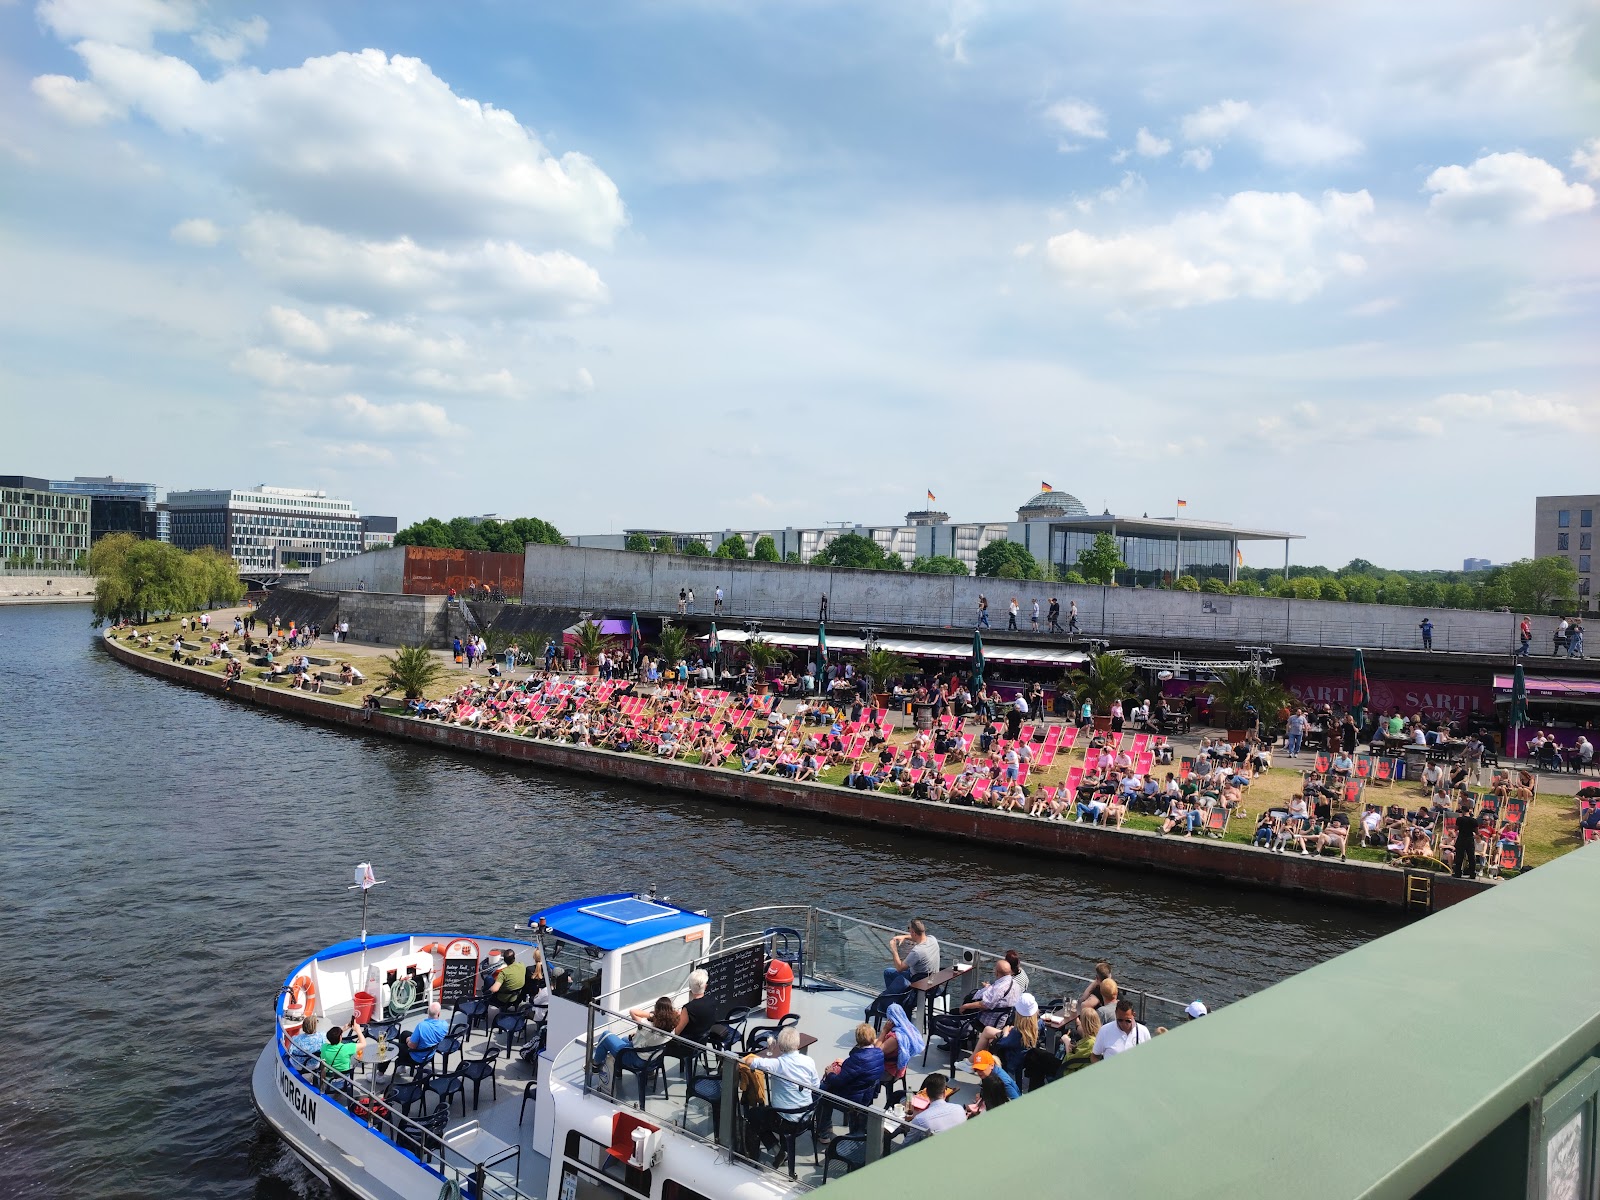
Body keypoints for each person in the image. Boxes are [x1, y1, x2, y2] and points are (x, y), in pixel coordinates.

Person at [745, 1027, 822, 1167]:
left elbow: (750, 1061)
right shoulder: (809, 1061)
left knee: (753, 1116)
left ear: (779, 1045)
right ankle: (781, 1150)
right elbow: (816, 1086)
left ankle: (769, 1154)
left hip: (786, 1120)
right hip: (806, 1116)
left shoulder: (777, 1064)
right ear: (797, 1045)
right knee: (768, 1112)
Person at [817, 1023, 886, 1131]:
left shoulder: (857, 1059)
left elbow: (838, 1081)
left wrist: (829, 1073)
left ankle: (823, 1131)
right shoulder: (879, 1053)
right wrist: (846, 1064)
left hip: (852, 1099)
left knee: (823, 1091)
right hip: (867, 1095)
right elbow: (863, 1069)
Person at [592, 996, 680, 1078]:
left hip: (638, 1061)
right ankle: (622, 1071)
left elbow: (632, 1012)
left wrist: (651, 1015)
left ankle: (595, 1066)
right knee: (624, 1039)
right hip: (653, 1061)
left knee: (606, 1035)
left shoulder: (648, 1026)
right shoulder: (671, 1029)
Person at [902, 1072, 966, 1143]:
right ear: (945, 1093)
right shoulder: (960, 1109)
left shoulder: (920, 1120)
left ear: (927, 1093)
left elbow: (906, 1144)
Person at [882, 918, 939, 993]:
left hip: (917, 980)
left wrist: (894, 949)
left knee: (888, 972)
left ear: (914, 932)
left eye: (909, 930)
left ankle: (892, 997)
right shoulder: (933, 940)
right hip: (932, 980)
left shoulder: (917, 951)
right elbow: (919, 937)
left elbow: (900, 968)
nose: (909, 932)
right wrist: (904, 937)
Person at [400, 1001, 451, 1068]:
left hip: (417, 1057)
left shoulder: (421, 1026)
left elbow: (412, 1046)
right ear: (438, 1014)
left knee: (394, 1047)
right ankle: (401, 1065)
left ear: (428, 1012)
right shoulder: (444, 1025)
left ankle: (399, 1064)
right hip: (430, 1054)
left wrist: (408, 1040)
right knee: (405, 1033)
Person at [318, 1019, 366, 1085]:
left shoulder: (324, 1047)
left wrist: (342, 1030)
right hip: (342, 1081)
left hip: (327, 1080)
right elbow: (363, 1044)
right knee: (359, 1053)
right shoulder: (346, 1048)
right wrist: (358, 1030)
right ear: (340, 1037)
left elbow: (329, 1041)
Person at [1060, 1007, 1099, 1075]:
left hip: (1069, 1072)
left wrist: (1067, 1042)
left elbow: (1070, 1063)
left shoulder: (1089, 1043)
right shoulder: (1097, 1037)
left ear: (1084, 1024)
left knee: (1041, 1058)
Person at [1452, 804, 1480, 878]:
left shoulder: (1460, 819)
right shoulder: (1474, 820)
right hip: (1470, 839)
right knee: (1471, 857)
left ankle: (1458, 873)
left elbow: (1456, 829)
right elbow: (1477, 832)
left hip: (1461, 838)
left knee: (1459, 856)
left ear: (1462, 811)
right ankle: (1472, 873)